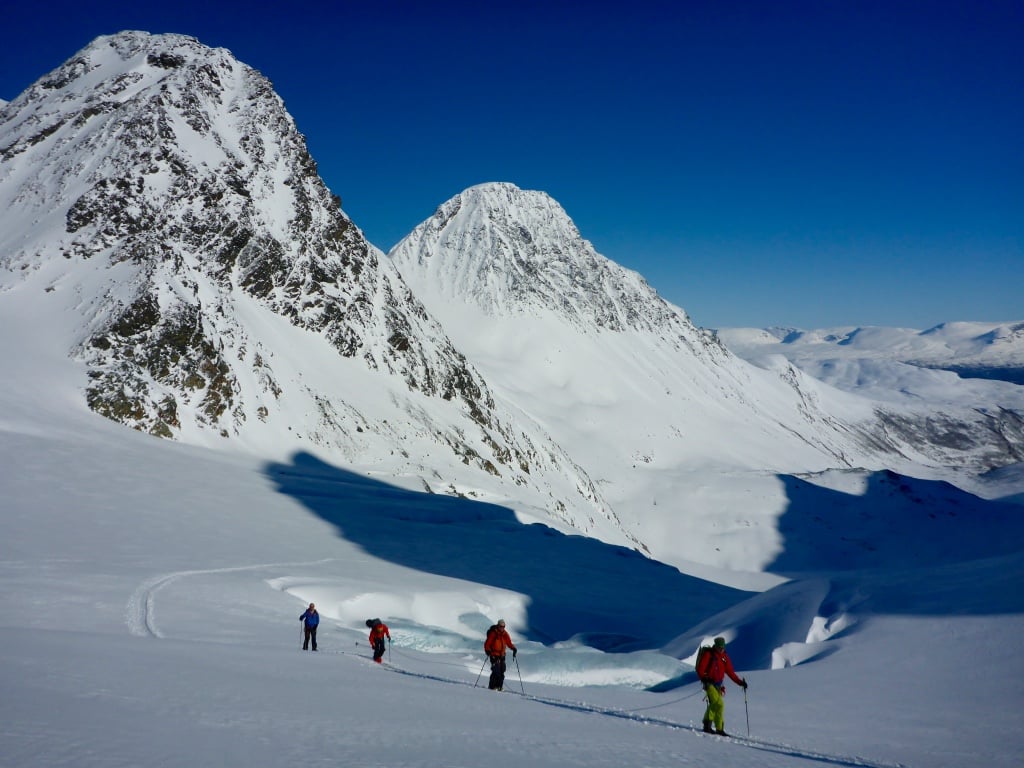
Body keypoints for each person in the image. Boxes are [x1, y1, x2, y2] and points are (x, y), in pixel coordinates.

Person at [696, 636, 747, 736]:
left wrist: (740, 682)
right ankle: (709, 726)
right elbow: (700, 669)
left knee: (718, 706)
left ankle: (718, 728)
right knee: (718, 703)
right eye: (720, 647)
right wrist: (705, 678)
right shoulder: (708, 654)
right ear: (715, 646)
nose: (721, 649)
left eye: (723, 647)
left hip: (718, 685)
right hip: (709, 684)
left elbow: (730, 673)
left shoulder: (724, 657)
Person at [483, 619, 517, 691]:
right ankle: (492, 686)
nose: (502, 628)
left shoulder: (505, 634)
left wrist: (513, 648)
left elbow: (509, 643)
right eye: (501, 626)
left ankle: (499, 687)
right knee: (496, 671)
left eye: (503, 626)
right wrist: (488, 651)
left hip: (502, 656)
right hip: (494, 655)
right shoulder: (493, 633)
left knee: (502, 671)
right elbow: (487, 644)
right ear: (498, 626)